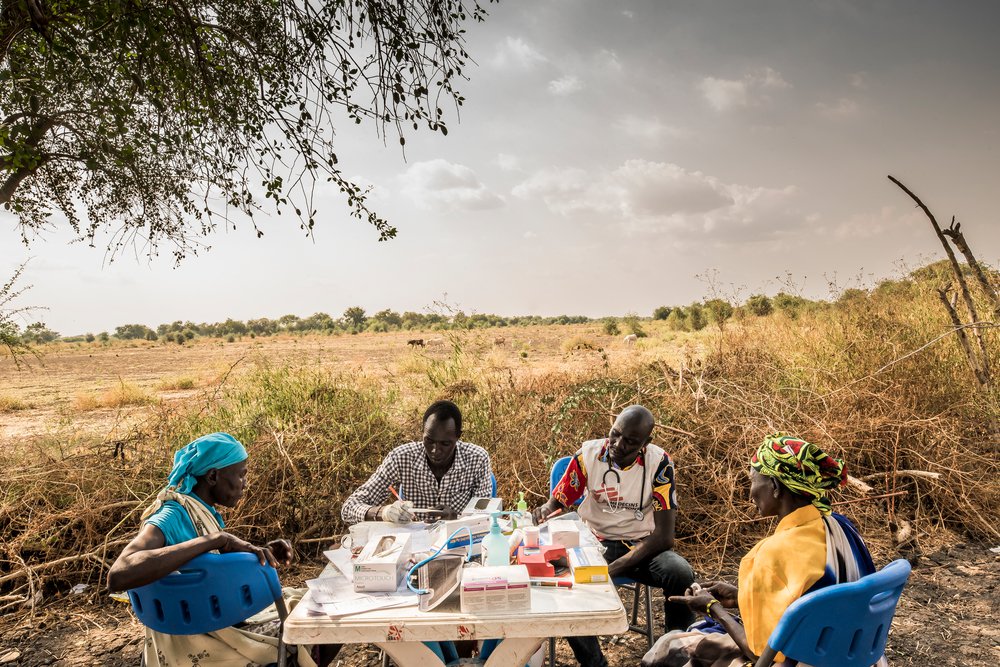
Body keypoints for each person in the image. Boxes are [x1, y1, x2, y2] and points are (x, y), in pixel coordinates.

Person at [644, 434, 882, 667]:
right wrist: (742, 596)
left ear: (776, 486)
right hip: (847, 653)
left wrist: (712, 608)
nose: (750, 493)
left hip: (798, 659)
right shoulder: (841, 527)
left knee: (669, 646)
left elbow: (761, 654)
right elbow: (813, 599)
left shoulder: (772, 553)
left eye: (753, 480)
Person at [107, 432, 318, 667]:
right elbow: (119, 574)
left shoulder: (198, 510)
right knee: (318, 620)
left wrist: (257, 555)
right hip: (202, 640)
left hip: (209, 623)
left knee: (307, 603)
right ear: (213, 475)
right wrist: (214, 540)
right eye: (241, 475)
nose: (244, 484)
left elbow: (208, 570)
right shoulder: (171, 515)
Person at [532, 405, 696, 667]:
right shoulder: (588, 456)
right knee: (567, 586)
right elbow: (559, 501)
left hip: (641, 544)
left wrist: (613, 567)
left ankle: (675, 653)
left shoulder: (659, 464)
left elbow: (664, 537)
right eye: (615, 434)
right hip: (593, 541)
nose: (618, 445)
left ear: (645, 443)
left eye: (630, 441)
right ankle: (595, 663)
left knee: (680, 573)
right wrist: (545, 510)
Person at [341, 400, 493, 525]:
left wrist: (457, 519)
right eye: (429, 441)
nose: (435, 450)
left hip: (459, 540)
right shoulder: (401, 458)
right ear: (423, 432)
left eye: (445, 444)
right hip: (411, 545)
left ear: (458, 436)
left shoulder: (477, 459)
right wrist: (383, 513)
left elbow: (486, 518)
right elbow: (349, 508)